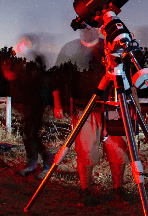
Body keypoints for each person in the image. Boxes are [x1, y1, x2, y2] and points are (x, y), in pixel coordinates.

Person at [52, 23, 130, 205]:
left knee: (118, 150)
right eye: (85, 27)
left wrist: (129, 102)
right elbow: (57, 76)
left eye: (92, 27)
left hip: (113, 106)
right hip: (83, 107)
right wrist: (57, 102)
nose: (88, 30)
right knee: (85, 151)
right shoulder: (69, 49)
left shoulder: (109, 47)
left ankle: (118, 189)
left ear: (98, 28)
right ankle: (86, 190)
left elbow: (125, 74)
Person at [1, 53, 52, 178]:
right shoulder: (16, 81)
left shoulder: (23, 78)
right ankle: (32, 164)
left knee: (33, 138)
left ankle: (47, 165)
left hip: (34, 110)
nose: (6, 75)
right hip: (29, 112)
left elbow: (36, 90)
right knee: (28, 138)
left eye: (7, 71)